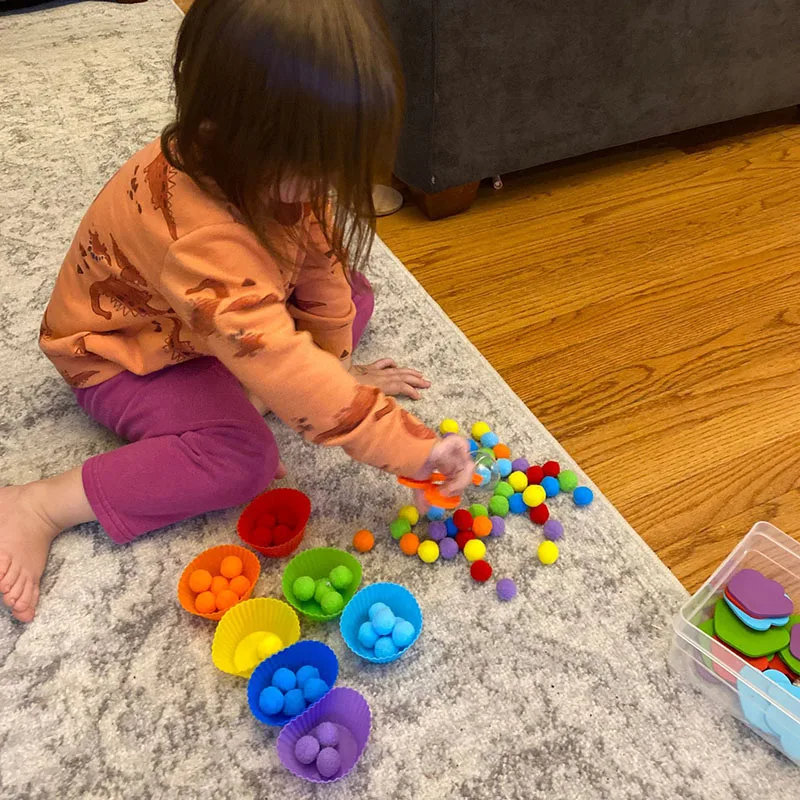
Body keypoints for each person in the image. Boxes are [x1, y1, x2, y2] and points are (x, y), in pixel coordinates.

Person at [0, 0, 472, 623]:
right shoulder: (198, 240)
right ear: (227, 127)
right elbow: (281, 363)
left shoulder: (274, 168)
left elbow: (319, 265)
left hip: (209, 327)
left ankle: (275, 388)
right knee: (241, 456)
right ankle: (41, 504)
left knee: (351, 297)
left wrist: (337, 370)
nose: (324, 186)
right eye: (313, 167)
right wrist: (403, 445)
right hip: (123, 358)